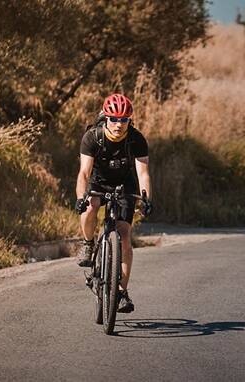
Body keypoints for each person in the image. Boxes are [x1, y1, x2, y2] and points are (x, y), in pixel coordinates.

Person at [74, 93, 152, 314]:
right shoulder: (92, 137)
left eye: (124, 120)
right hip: (99, 181)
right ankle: (88, 243)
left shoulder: (136, 140)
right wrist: (81, 198)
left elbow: (143, 173)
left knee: (125, 237)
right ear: (106, 118)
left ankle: (120, 293)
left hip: (124, 185)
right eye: (114, 119)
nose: (119, 124)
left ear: (129, 120)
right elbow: (83, 174)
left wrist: (146, 199)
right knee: (90, 206)